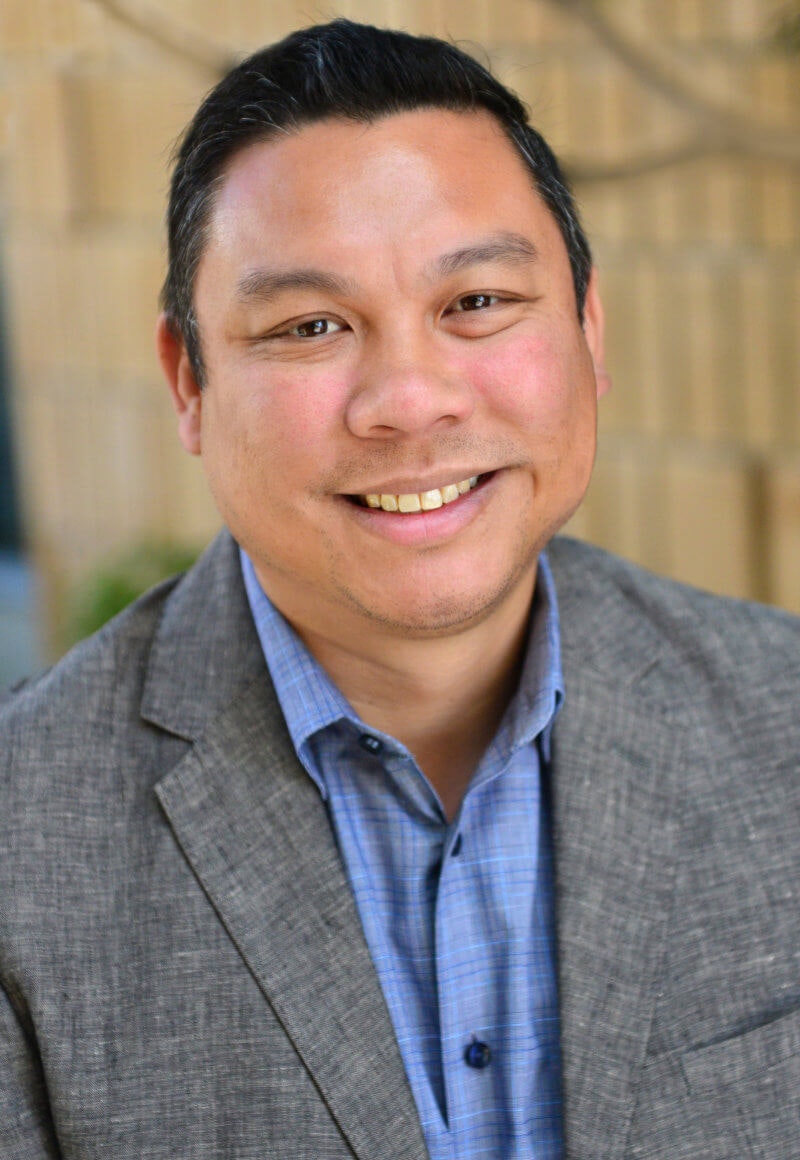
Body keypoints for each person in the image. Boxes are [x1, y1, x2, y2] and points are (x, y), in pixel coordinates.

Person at [2, 19, 799, 1159]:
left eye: (474, 302)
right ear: (189, 379)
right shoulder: (21, 842)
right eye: (310, 325)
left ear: (586, 327)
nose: (409, 400)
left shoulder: (784, 722)